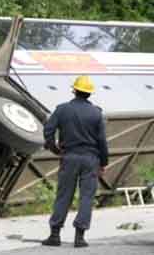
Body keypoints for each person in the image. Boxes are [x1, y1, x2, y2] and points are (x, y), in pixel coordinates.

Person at [42, 75, 109, 248]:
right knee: (86, 197)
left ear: (74, 90)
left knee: (64, 195)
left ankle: (54, 235)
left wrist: (55, 149)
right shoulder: (97, 113)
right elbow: (102, 141)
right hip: (91, 159)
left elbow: (48, 131)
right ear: (89, 94)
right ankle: (79, 237)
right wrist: (103, 163)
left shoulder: (62, 109)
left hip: (69, 157)